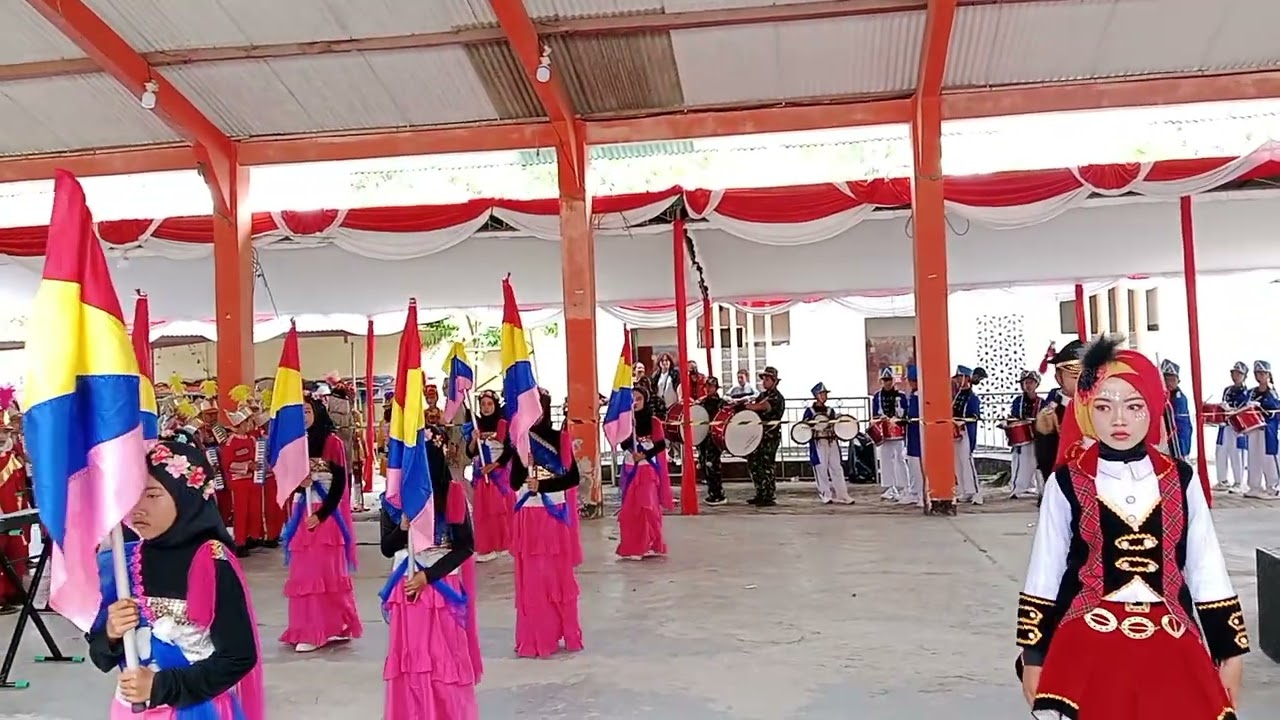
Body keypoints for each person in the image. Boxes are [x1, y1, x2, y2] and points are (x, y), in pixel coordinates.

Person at [1015, 336, 1247, 719]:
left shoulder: (1180, 478)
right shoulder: (1068, 481)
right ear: (1088, 408)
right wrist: (1034, 653)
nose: (1119, 419)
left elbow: (1206, 567)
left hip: (1171, 632)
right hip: (1087, 634)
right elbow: (1046, 570)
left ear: (1153, 407)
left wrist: (1229, 649)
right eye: (1104, 406)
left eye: (1134, 406)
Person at [87, 437, 264, 719]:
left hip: (194, 710)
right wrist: (111, 633)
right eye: (133, 494)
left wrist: (160, 686)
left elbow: (238, 657)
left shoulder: (211, 561)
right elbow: (100, 657)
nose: (138, 508)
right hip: (129, 710)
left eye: (153, 494)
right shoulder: (123, 561)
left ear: (185, 494)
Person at [378, 432, 481, 719]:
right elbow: (387, 548)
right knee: (413, 658)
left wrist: (430, 576)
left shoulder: (453, 495)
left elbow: (465, 547)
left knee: (443, 657)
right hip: (407, 587)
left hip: (441, 588)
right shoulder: (394, 500)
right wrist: (403, 527)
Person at [279, 397, 363, 653]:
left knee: (324, 575)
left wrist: (322, 514)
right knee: (303, 575)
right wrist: (298, 483)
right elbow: (287, 480)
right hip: (301, 514)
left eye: (307, 411)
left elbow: (340, 484)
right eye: (300, 412)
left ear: (317, 412)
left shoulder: (332, 442)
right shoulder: (296, 444)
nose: (304, 416)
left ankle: (327, 628)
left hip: (325, 517)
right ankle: (306, 627)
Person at [508, 389, 584, 658]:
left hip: (553, 517)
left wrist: (543, 484)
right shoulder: (520, 441)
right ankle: (538, 633)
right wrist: (520, 458)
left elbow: (572, 478)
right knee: (533, 580)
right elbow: (514, 483)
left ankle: (562, 628)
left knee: (556, 576)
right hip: (528, 517)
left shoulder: (559, 440)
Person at [616, 387, 675, 559]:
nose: (635, 402)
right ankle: (633, 546)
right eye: (632, 399)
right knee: (630, 508)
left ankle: (651, 542)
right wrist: (630, 447)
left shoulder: (653, 421)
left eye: (639, 398)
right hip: (630, 467)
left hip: (647, 468)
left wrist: (644, 454)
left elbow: (661, 444)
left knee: (648, 506)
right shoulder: (626, 421)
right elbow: (622, 442)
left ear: (645, 400)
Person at [467, 390, 514, 562]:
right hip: (482, 475)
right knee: (483, 511)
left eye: (489, 404)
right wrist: (473, 439)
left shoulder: (503, 424)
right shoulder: (476, 425)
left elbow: (510, 450)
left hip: (499, 474)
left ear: (495, 405)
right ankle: (487, 546)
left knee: (499, 510)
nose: (486, 408)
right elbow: (470, 452)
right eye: (483, 405)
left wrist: (494, 466)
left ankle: (502, 544)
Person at [1033, 340, 1085, 483]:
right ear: (1059, 378)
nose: (1083, 381)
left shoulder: (1103, 408)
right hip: (1065, 480)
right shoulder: (1049, 416)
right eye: (1075, 377)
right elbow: (1046, 458)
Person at [220, 404, 264, 558]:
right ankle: (239, 542)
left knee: (254, 511)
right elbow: (227, 465)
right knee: (240, 513)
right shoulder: (230, 442)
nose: (249, 424)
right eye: (247, 422)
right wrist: (247, 466)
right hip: (238, 483)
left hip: (252, 481)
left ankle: (251, 537)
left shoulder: (252, 439)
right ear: (239, 425)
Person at [0, 391, 29, 613]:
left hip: (15, 511)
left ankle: (13, 590)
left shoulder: (10, 454)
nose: (2, 436)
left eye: (5, 432)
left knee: (14, 548)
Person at [741, 367, 785, 507]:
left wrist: (749, 406)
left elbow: (762, 407)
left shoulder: (776, 397)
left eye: (767, 379)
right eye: (763, 379)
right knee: (754, 464)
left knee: (767, 465)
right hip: (758, 435)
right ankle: (760, 492)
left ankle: (769, 494)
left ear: (774, 381)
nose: (764, 382)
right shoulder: (762, 395)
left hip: (770, 436)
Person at [804, 382, 854, 505]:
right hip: (818, 442)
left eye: (825, 394)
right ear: (816, 395)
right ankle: (825, 494)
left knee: (837, 467)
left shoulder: (830, 411)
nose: (824, 396)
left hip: (831, 441)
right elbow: (804, 427)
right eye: (822, 393)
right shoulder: (810, 411)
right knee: (821, 468)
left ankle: (842, 494)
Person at [1243, 360, 1280, 499]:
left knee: (1269, 458)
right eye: (1257, 373)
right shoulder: (1251, 392)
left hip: (1267, 430)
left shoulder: (1272, 393)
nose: (1259, 376)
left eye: (1262, 373)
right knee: (1253, 458)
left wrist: (1262, 407)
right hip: (1253, 428)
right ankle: (1255, 486)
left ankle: (1274, 487)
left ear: (1268, 375)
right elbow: (1243, 405)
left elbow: (1275, 411)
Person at [871, 368, 908, 502]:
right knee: (886, 459)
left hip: (898, 431)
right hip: (884, 431)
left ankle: (904, 486)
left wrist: (898, 419)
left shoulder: (901, 395)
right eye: (885, 380)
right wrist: (880, 419)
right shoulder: (877, 397)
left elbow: (906, 414)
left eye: (889, 380)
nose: (887, 383)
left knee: (900, 458)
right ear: (881, 381)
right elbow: (874, 414)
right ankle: (889, 487)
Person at [1214, 361, 1250, 493]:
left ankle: (1239, 482)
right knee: (1221, 451)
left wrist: (1230, 409)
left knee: (1237, 454)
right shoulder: (1227, 390)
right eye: (1234, 373)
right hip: (1225, 425)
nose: (1235, 376)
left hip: (1238, 427)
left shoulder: (1246, 392)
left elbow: (1242, 409)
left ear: (1244, 376)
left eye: (1239, 373)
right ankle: (1222, 480)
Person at [1008, 370, 1044, 499]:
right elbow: (1014, 416)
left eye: (1031, 383)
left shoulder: (1041, 402)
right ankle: (1017, 488)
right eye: (1026, 383)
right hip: (1022, 436)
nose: (1028, 385)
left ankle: (1033, 486)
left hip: (1037, 435)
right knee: (1020, 461)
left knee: (1036, 461)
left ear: (1036, 384)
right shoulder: (1018, 401)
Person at [952, 365, 983, 505]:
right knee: (958, 463)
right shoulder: (957, 395)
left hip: (966, 432)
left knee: (967, 461)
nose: (958, 380)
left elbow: (975, 416)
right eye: (957, 377)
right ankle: (964, 490)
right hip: (955, 432)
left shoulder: (972, 397)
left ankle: (976, 492)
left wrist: (962, 421)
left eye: (960, 377)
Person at [698, 377, 727, 506]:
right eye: (707, 386)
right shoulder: (702, 402)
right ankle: (712, 491)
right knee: (704, 464)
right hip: (703, 438)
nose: (708, 389)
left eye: (711, 386)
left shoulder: (721, 403)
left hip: (714, 438)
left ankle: (718, 493)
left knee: (712, 465)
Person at [1161, 360, 1193, 460]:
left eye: (1172, 380)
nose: (1169, 383)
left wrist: (1182, 450)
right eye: (1166, 379)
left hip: (1176, 445)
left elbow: (1181, 427)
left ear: (1178, 381)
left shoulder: (1179, 399)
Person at [903, 365, 924, 506]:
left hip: (917, 433)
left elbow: (914, 415)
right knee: (913, 462)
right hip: (912, 433)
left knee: (917, 464)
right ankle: (915, 491)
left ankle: (919, 493)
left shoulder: (918, 396)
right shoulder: (913, 395)